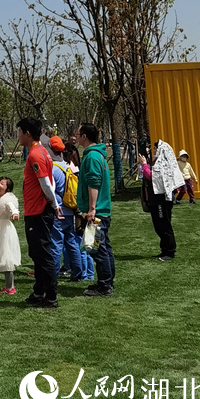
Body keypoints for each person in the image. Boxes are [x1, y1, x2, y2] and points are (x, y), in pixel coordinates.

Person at [17, 117, 63, 308]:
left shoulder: (36, 154)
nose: (18, 135)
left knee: (43, 254)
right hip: (37, 210)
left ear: (28, 133)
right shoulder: (42, 151)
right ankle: (38, 291)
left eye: (19, 131)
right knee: (36, 253)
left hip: (38, 211)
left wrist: (53, 205)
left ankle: (50, 296)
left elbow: (45, 182)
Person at [74, 122, 114, 296]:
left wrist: (91, 209)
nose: (75, 136)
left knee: (98, 249)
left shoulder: (91, 157)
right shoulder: (98, 155)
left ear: (84, 136)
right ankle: (107, 281)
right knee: (104, 247)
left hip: (96, 212)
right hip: (102, 210)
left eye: (78, 133)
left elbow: (93, 184)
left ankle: (104, 285)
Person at [139, 140, 184, 261]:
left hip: (161, 200)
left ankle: (170, 251)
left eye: (154, 148)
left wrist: (144, 164)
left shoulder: (163, 163)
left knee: (164, 225)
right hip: (155, 200)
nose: (153, 151)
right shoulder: (157, 162)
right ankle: (164, 249)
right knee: (158, 226)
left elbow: (152, 177)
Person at [48, 137, 84, 283]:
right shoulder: (66, 166)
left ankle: (53, 275)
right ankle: (78, 273)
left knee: (56, 243)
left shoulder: (52, 168)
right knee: (71, 242)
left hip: (58, 211)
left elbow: (49, 190)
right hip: (70, 209)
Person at [65, 142, 94, 281]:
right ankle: (90, 273)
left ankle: (84, 274)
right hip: (90, 211)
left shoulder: (71, 173)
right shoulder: (81, 170)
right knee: (89, 246)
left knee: (81, 245)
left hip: (81, 212)